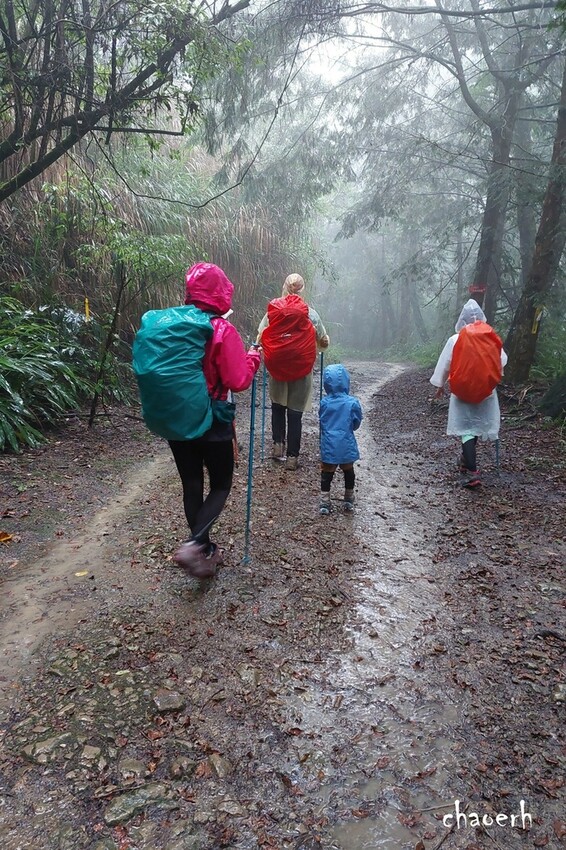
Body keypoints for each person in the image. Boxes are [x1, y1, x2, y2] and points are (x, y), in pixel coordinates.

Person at [172, 263, 261, 577]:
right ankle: (195, 543)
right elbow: (238, 380)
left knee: (192, 483)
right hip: (212, 420)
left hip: (178, 420)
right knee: (221, 484)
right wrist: (253, 357)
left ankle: (204, 549)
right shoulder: (221, 330)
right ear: (222, 292)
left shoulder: (175, 325)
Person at [430, 298, 508, 489]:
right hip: (486, 392)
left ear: (462, 320)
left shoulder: (455, 339)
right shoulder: (490, 336)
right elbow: (502, 360)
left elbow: (445, 365)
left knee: (466, 429)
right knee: (476, 427)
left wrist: (439, 385)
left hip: (462, 391)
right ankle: (466, 461)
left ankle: (472, 472)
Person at [257, 273, 329, 470]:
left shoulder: (272, 312)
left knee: (278, 405)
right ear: (302, 289)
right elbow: (323, 340)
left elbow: (261, 336)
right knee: (295, 412)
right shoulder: (310, 314)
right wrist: (322, 342)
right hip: (301, 369)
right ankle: (292, 458)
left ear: (284, 286)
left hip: (278, 368)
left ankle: (277, 446)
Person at [319, 363, 363, 514]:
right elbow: (356, 422)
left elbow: (322, 421)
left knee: (327, 472)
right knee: (348, 470)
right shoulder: (352, 403)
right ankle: (348, 499)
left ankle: (325, 502)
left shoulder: (324, 403)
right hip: (346, 442)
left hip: (329, 443)